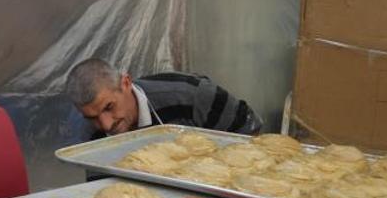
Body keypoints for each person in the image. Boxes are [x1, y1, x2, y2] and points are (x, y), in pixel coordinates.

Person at [65, 57, 260, 139]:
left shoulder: (190, 95)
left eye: (109, 107)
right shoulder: (89, 131)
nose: (106, 125)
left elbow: (249, 128)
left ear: (126, 83)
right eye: (92, 117)